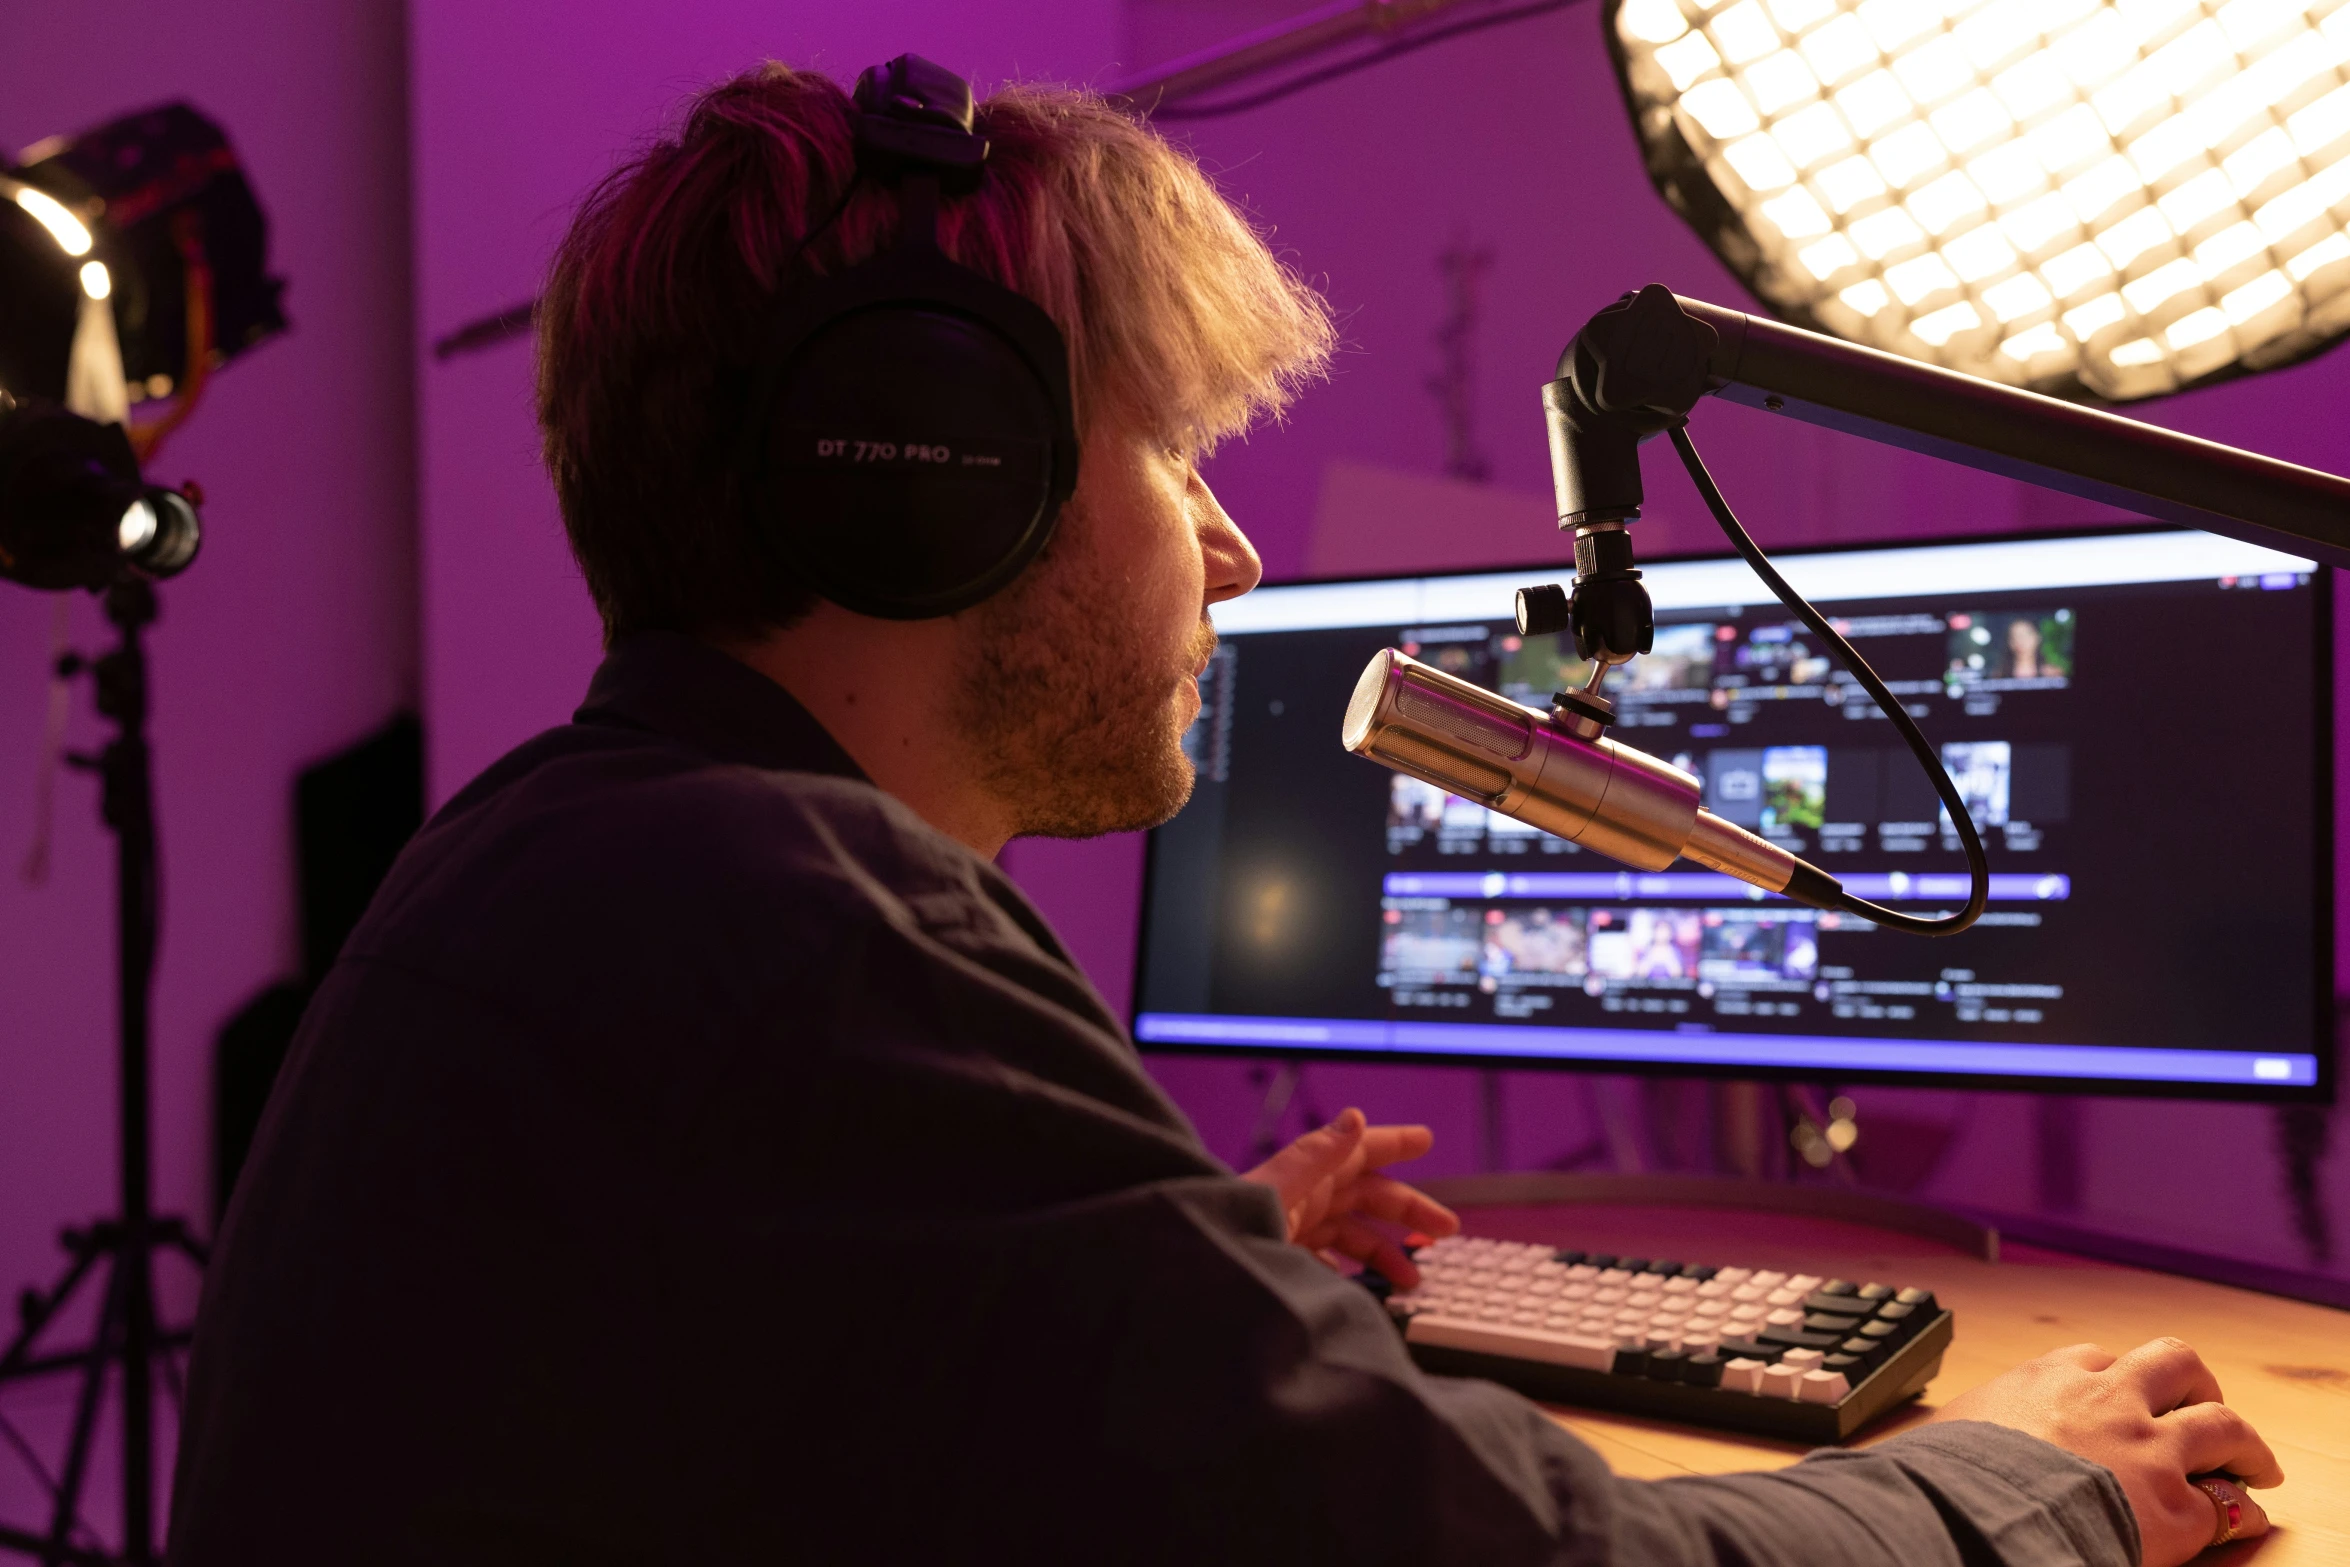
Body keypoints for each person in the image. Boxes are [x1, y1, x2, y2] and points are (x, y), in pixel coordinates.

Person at [166, 60, 2282, 1567]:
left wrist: (1187, 1280)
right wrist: (2042, 1481)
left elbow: (803, 1380)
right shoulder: (793, 918)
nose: (1237, 556)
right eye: (1170, 448)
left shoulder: (575, 845)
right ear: (926, 467)